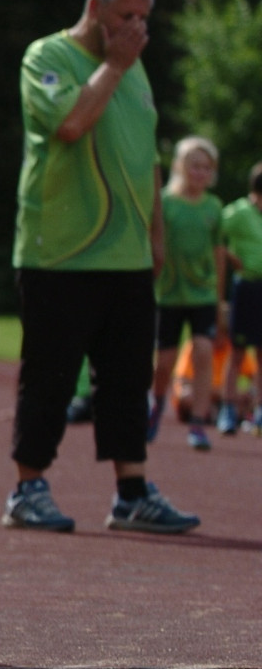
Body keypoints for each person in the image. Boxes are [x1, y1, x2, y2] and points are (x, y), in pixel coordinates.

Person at [0, 0, 199, 537]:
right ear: (95, 8)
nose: (137, 27)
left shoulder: (134, 70)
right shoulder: (48, 57)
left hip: (127, 254)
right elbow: (69, 123)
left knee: (128, 379)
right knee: (51, 376)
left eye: (144, 17)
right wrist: (114, 66)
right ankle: (28, 487)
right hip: (60, 252)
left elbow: (149, 157)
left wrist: (156, 234)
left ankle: (132, 492)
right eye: (126, 15)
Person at [148, 136, 223, 450]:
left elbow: (218, 253)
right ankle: (157, 403)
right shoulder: (165, 203)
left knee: (203, 351)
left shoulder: (214, 207)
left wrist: (219, 298)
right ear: (180, 167)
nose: (200, 173)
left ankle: (199, 422)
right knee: (165, 362)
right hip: (169, 295)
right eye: (195, 166)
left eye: (206, 167)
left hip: (202, 295)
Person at [217, 162, 262, 433]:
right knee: (237, 352)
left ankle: (259, 411)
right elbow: (216, 235)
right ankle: (228, 409)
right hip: (246, 287)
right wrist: (233, 258)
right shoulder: (239, 212)